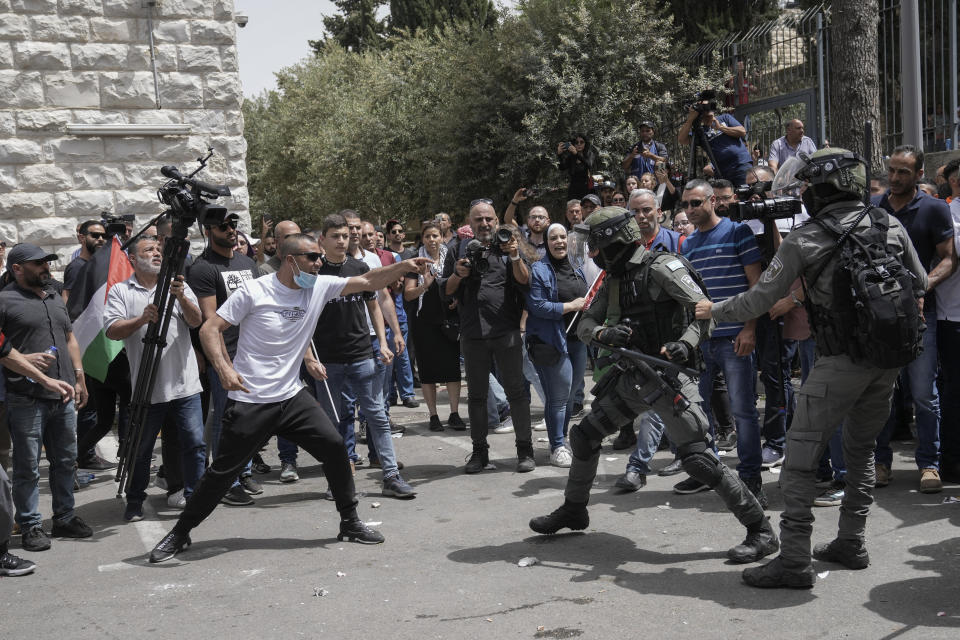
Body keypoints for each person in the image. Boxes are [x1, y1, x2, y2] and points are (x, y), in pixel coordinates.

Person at [695, 148, 927, 589]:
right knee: (859, 454)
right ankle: (851, 542)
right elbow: (919, 282)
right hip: (886, 363)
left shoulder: (807, 238)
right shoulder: (888, 224)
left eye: (806, 186)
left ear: (821, 187)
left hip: (838, 362)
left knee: (799, 463)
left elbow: (759, 299)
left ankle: (795, 561)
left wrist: (714, 310)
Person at [148, 233, 429, 562]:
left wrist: (402, 266)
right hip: (252, 400)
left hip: (293, 397)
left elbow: (367, 279)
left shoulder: (319, 285)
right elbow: (211, 328)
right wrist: (223, 369)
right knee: (221, 474)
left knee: (336, 449)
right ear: (290, 260)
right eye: (312, 257)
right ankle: (180, 533)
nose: (319, 262)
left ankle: (349, 521)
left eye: (319, 257)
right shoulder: (256, 290)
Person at [529, 208, 777, 567]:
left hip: (669, 378)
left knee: (699, 459)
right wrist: (604, 334)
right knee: (584, 436)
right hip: (632, 377)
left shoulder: (662, 268)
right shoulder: (614, 277)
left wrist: (686, 343)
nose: (593, 251)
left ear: (615, 240)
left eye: (598, 243)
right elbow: (585, 325)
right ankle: (574, 510)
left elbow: (702, 312)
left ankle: (761, 531)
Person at [676, 180, 767, 507]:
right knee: (698, 413)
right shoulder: (687, 245)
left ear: (713, 200)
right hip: (702, 340)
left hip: (735, 336)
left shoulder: (738, 232)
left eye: (696, 202)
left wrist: (749, 328)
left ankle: (751, 479)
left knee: (743, 412)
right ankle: (709, 473)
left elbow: (757, 286)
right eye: (686, 204)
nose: (690, 210)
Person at [872, 146, 956, 492]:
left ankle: (929, 465)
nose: (895, 178)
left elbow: (949, 259)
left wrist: (921, 288)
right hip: (879, 318)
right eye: (892, 170)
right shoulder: (874, 208)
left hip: (922, 317)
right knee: (881, 395)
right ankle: (879, 462)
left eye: (903, 172)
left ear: (920, 174)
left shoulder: (935, 208)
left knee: (923, 394)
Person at [104, 236, 206, 520]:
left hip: (185, 385)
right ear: (133, 259)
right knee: (141, 449)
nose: (156, 254)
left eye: (159, 250)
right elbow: (112, 330)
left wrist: (182, 297)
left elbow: (196, 320)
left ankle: (194, 495)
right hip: (147, 389)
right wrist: (140, 320)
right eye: (149, 250)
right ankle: (135, 501)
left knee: (195, 442)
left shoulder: (176, 285)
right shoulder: (121, 291)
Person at [313, 215, 414, 498]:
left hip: (361, 354)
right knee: (335, 421)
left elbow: (374, 307)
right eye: (335, 236)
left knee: (377, 416)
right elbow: (303, 319)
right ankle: (340, 480)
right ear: (323, 240)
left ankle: (391, 475)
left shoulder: (359, 267)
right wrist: (310, 357)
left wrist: (382, 341)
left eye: (345, 236)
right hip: (328, 360)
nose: (342, 241)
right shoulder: (314, 273)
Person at [0, 244, 92, 552]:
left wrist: (79, 376)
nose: (45, 267)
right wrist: (24, 359)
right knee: (27, 466)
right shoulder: (4, 301)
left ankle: (65, 517)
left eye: (46, 262)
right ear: (17, 268)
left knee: (65, 460)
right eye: (38, 263)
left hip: (63, 394)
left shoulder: (54, 296)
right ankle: (30, 525)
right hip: (26, 397)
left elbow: (69, 337)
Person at [445, 199, 535, 473]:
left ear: (497, 222)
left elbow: (525, 281)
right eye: (478, 220)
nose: (484, 224)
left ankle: (525, 451)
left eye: (489, 219)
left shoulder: (509, 246)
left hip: (506, 332)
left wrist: (516, 255)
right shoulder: (457, 250)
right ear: (469, 224)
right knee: (477, 397)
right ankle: (479, 453)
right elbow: (447, 290)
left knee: (517, 393)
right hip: (472, 334)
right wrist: (459, 275)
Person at [186, 210, 261, 506]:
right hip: (227, 353)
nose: (231, 230)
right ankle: (223, 481)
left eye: (233, 224)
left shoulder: (247, 263)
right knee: (225, 418)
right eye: (223, 226)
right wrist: (222, 363)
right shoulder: (203, 268)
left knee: (250, 417)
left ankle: (243, 471)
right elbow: (209, 320)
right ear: (208, 231)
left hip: (254, 351)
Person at [0, 339, 75, 576]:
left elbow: (5, 350)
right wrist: (43, 379)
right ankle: (27, 527)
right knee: (18, 472)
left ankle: (1, 552)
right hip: (22, 398)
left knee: (3, 483)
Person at [525, 223, 587, 467]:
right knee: (558, 398)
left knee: (571, 396)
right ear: (546, 242)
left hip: (578, 340)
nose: (559, 242)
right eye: (554, 238)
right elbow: (537, 306)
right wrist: (571, 306)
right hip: (552, 342)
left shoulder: (576, 268)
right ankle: (557, 446)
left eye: (563, 237)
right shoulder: (538, 270)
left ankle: (562, 439)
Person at [404, 222, 463, 431]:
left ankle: (455, 414)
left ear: (442, 237)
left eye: (435, 235)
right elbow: (408, 294)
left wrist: (456, 298)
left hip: (448, 320)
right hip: (424, 322)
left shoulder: (451, 258)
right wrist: (425, 284)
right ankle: (434, 416)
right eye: (428, 236)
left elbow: (460, 283)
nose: (432, 240)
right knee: (428, 372)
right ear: (423, 238)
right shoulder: (416, 262)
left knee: (452, 370)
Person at [678, 98, 753, 186]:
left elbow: (742, 132)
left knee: (746, 194)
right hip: (722, 172)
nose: (708, 108)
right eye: (704, 107)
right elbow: (682, 140)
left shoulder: (725, 118)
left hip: (741, 165)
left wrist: (721, 128)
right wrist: (690, 119)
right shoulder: (700, 131)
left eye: (708, 105)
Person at [61, 219, 106, 305]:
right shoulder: (76, 267)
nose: (101, 239)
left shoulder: (99, 265)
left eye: (104, 236)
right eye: (95, 235)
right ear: (82, 238)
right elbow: (67, 297)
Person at [557, 135, 597, 200]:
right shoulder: (571, 157)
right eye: (576, 142)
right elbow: (562, 168)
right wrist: (559, 155)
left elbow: (588, 165)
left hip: (586, 188)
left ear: (585, 144)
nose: (579, 144)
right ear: (573, 144)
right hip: (573, 189)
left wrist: (576, 154)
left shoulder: (589, 154)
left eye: (581, 142)